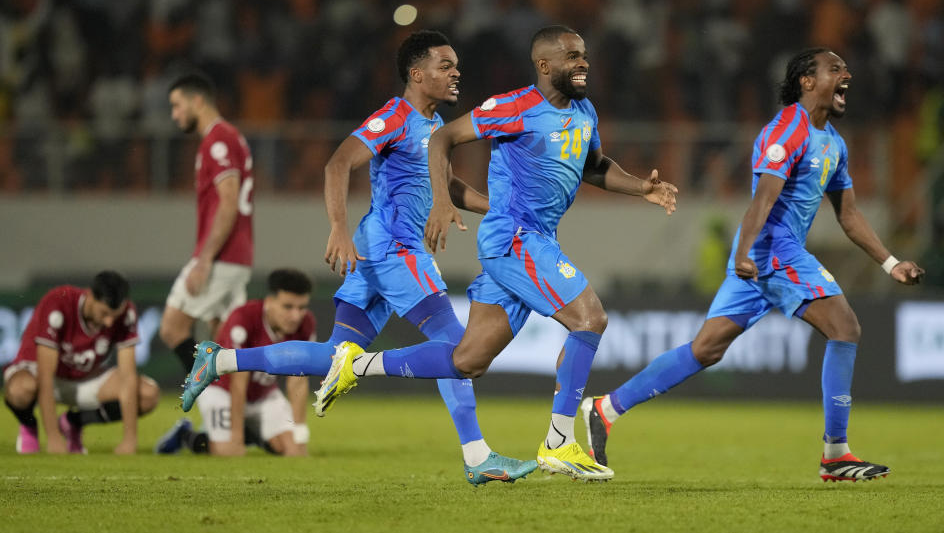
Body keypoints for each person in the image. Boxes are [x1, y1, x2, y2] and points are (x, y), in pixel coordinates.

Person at [313, 25, 678, 482]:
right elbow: (443, 139)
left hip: (536, 238)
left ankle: (357, 363)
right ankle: (560, 442)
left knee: (468, 360)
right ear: (544, 65)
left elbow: (595, 167)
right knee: (591, 319)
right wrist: (443, 202)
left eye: (584, 54)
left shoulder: (585, 111)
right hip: (515, 238)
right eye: (571, 56)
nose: (582, 62)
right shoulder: (514, 106)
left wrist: (641, 186)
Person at [179, 30, 538, 484]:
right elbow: (337, 164)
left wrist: (501, 210)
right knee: (457, 348)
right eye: (444, 65)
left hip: (380, 251)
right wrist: (337, 227)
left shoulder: (434, 129)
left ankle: (220, 361)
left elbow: (446, 189)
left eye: (455, 65)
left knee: (334, 354)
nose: (456, 72)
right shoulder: (394, 116)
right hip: (392, 250)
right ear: (416, 74)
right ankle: (476, 456)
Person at [580, 47, 924, 482]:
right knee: (846, 327)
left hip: (762, 257)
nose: (846, 74)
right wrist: (744, 252)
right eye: (835, 68)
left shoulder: (834, 144)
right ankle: (836, 454)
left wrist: (890, 263)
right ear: (807, 80)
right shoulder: (787, 130)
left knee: (705, 349)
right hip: (773, 251)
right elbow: (762, 200)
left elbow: (849, 215)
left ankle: (605, 408)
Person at [156, 268, 315, 457]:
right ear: (270, 302)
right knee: (229, 450)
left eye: (302, 307)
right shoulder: (244, 319)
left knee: (291, 450)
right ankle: (186, 436)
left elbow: (298, 380)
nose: (296, 316)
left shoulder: (306, 325)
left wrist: (300, 435)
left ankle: (252, 433)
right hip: (221, 390)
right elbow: (238, 382)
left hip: (263, 394)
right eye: (288, 307)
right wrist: (236, 437)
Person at [3, 271, 159, 454]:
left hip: (84, 377)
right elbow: (45, 376)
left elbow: (127, 376)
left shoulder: (126, 313)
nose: (109, 322)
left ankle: (73, 421)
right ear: (90, 296)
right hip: (40, 375)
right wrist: (53, 437)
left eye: (114, 316)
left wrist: (130, 440)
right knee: (21, 390)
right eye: (105, 313)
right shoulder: (59, 302)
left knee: (147, 395)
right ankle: (28, 425)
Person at [159, 72, 254, 373]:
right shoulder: (230, 136)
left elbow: (228, 202)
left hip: (222, 258)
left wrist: (204, 260)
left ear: (197, 101)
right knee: (227, 342)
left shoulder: (218, 140)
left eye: (177, 105)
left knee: (172, 328)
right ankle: (240, 415)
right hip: (237, 257)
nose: (174, 115)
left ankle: (214, 397)